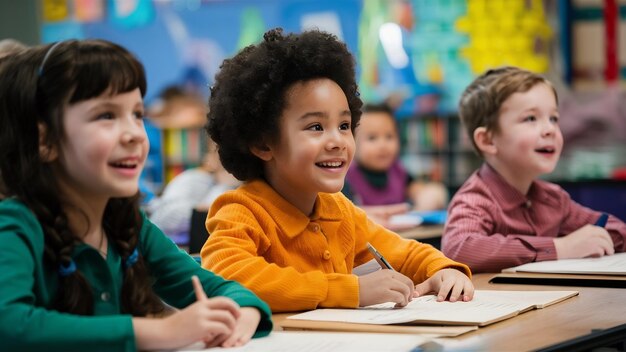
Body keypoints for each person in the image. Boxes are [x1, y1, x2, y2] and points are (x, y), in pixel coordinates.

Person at [0, 39, 271, 352]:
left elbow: (216, 287)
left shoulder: (128, 224)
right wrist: (160, 332)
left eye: (137, 114)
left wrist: (245, 313)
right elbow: (9, 324)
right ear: (44, 140)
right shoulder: (15, 226)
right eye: (106, 116)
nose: (133, 134)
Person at [201, 28, 473, 313]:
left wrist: (444, 269)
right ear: (262, 143)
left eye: (344, 126)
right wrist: (347, 290)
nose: (338, 142)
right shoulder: (240, 211)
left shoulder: (338, 210)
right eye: (316, 127)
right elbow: (228, 278)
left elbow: (405, 253)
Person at [442, 66, 626, 273]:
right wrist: (560, 247)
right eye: (530, 118)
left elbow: (618, 230)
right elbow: (459, 249)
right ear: (487, 140)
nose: (550, 130)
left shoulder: (553, 199)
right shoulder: (475, 200)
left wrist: (595, 239)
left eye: (554, 118)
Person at [343, 102, 449, 230]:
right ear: (352, 142)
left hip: (402, 236)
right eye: (372, 138)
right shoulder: (346, 177)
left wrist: (430, 195)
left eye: (389, 136)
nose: (383, 145)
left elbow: (419, 190)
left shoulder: (397, 171)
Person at [148, 138, 240, 243]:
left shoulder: (239, 186)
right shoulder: (194, 178)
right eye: (214, 150)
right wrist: (223, 183)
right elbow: (164, 218)